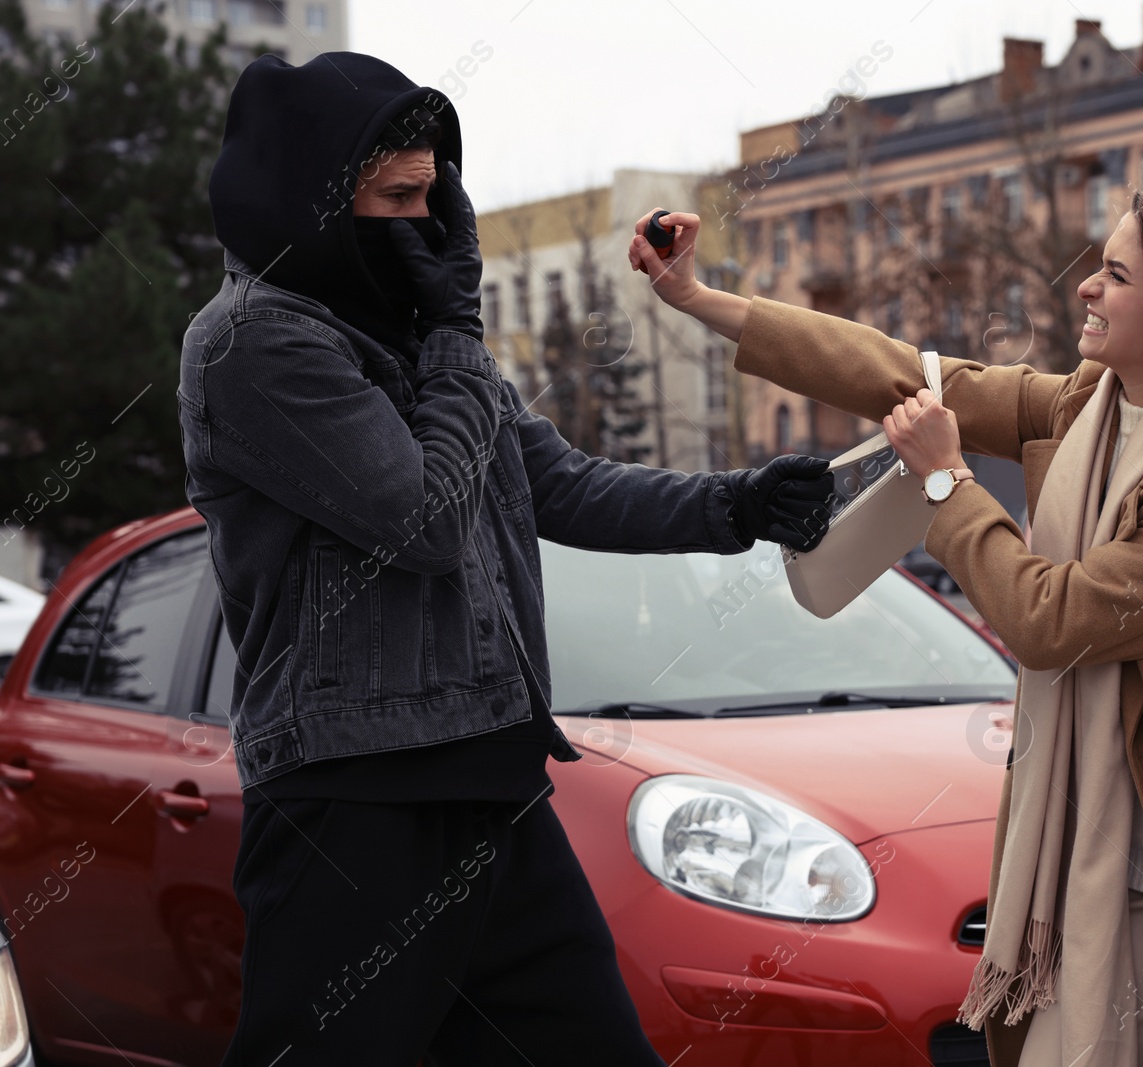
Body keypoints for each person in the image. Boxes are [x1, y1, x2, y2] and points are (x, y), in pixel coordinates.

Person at [629, 183, 1143, 1067]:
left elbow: (1056, 617)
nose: (1085, 289)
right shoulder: (1091, 408)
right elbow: (912, 376)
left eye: (1114, 274)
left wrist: (950, 484)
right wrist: (698, 299)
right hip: (1140, 848)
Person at [176, 52, 833, 1066]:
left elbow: (555, 483)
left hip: (494, 781)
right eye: (396, 198)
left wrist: (735, 503)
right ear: (316, 198)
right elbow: (422, 519)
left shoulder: (425, 334)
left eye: (434, 197)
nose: (425, 226)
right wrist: (451, 332)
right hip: (354, 811)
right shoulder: (251, 343)